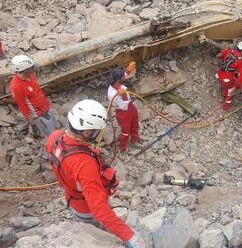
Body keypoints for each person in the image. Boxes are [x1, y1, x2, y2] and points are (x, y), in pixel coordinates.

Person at [46, 100, 145, 248]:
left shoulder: (55, 137)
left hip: (73, 200)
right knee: (103, 236)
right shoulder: (85, 165)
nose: (100, 134)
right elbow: (99, 210)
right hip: (87, 210)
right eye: (97, 131)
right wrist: (129, 236)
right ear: (86, 132)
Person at [10, 55, 56, 157]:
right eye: (31, 67)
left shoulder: (30, 76)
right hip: (39, 115)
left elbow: (37, 92)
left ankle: (53, 147)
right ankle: (47, 155)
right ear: (23, 70)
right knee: (50, 136)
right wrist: (32, 122)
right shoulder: (16, 86)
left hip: (46, 108)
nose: (33, 68)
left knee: (53, 129)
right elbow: (23, 106)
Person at [108, 61, 140, 151]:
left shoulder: (117, 81)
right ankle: (123, 147)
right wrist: (123, 95)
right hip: (123, 112)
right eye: (123, 76)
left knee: (135, 124)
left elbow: (123, 76)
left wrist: (128, 70)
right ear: (119, 79)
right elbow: (122, 106)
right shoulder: (112, 94)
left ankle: (135, 140)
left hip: (131, 107)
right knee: (125, 131)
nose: (124, 77)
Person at [216, 41, 242, 110]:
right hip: (226, 78)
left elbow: (218, 55)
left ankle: (224, 94)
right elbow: (240, 74)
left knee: (228, 84)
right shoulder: (240, 61)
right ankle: (226, 106)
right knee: (232, 89)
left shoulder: (229, 51)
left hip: (218, 74)